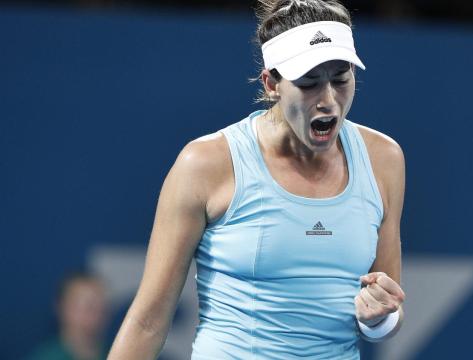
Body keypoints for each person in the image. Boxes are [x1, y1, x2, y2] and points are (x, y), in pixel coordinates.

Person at [108, 0, 406, 358]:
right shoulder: (205, 163)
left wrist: (380, 318)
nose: (329, 101)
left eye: (341, 80)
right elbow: (148, 321)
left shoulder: (383, 159)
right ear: (271, 84)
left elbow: (387, 307)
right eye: (309, 83)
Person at [29, 272, 109, 360]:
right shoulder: (44, 357)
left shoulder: (117, 353)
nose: (96, 315)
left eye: (101, 307)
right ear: (61, 307)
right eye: (86, 307)